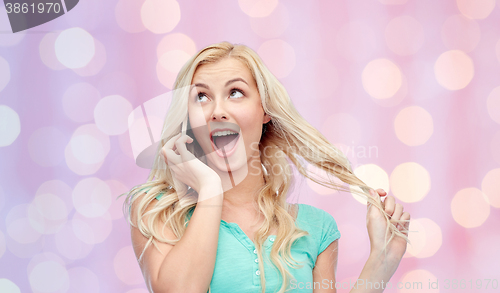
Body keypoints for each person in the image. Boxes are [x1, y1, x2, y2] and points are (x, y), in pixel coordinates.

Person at [123, 42, 411, 293]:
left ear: (264, 112)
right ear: (188, 119)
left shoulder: (315, 229)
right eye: (201, 97)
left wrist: (381, 262)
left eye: (235, 92)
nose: (217, 111)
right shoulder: (156, 211)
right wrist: (210, 191)